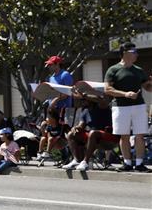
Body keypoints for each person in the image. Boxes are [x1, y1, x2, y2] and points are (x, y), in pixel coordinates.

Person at [104, 42, 152, 172]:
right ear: (125, 53)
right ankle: (127, 163)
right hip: (120, 107)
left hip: (139, 106)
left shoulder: (139, 70)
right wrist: (125, 94)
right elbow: (107, 89)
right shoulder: (113, 69)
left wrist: (150, 84)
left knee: (140, 135)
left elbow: (147, 87)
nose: (136, 54)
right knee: (124, 136)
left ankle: (140, 163)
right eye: (134, 52)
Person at [62, 92, 119, 172]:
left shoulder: (102, 106)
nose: (82, 102)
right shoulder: (85, 111)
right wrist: (76, 128)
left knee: (92, 133)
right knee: (71, 134)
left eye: (84, 100)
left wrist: (84, 95)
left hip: (108, 137)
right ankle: (77, 160)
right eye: (81, 100)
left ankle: (85, 161)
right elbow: (81, 126)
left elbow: (101, 100)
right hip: (93, 137)